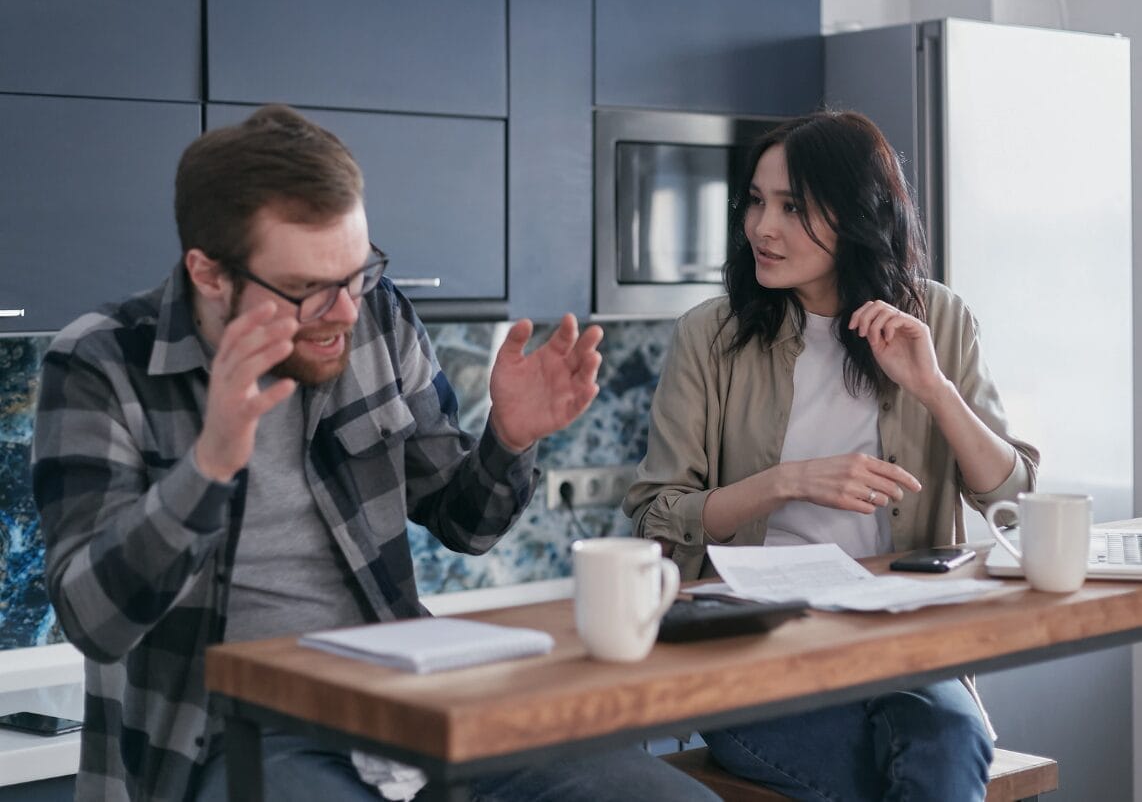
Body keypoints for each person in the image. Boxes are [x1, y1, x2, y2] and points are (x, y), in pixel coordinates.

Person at [32, 105, 720, 802]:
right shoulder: (101, 362)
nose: (346, 312)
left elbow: (466, 526)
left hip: (404, 697)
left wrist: (510, 438)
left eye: (357, 273)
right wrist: (208, 464)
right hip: (225, 729)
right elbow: (95, 622)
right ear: (209, 274)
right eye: (307, 289)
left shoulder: (379, 316)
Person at [624, 110, 1040, 801]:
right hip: (757, 647)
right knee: (904, 776)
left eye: (793, 207)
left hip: (901, 643)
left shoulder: (937, 319)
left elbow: (1014, 498)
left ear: (856, 215)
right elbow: (654, 515)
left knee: (953, 740)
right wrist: (785, 483)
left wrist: (934, 389)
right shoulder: (710, 334)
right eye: (756, 202)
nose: (763, 227)